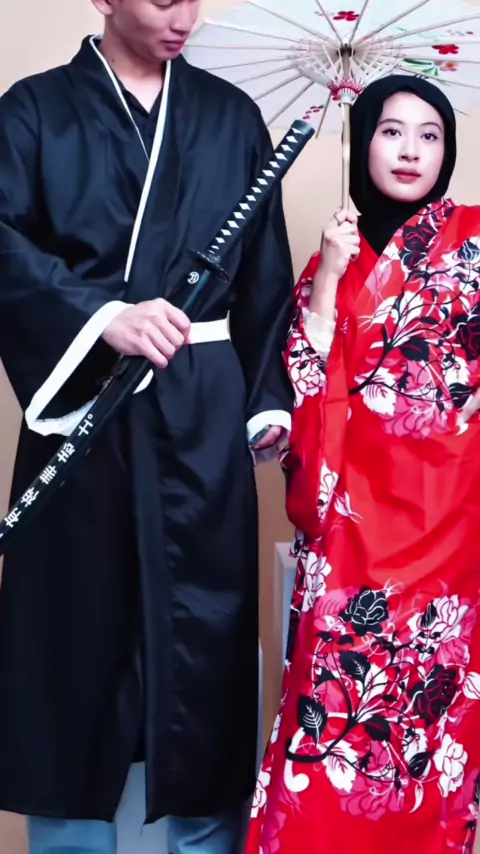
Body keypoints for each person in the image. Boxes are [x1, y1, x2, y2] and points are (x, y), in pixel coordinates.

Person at [0, 1, 294, 852]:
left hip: (201, 411)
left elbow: (266, 276)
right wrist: (102, 317)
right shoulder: (33, 111)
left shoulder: (230, 117)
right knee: (71, 645)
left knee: (206, 643)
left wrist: (265, 398)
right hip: (82, 408)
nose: (184, 17)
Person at [245, 75, 480, 854]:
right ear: (364, 144)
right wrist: (326, 278)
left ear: (447, 151)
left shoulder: (475, 240)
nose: (411, 150)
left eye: (430, 135)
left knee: (433, 733)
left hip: (453, 526)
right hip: (350, 525)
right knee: (328, 724)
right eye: (390, 131)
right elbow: (302, 384)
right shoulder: (334, 256)